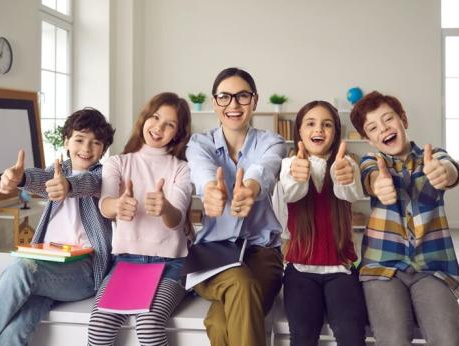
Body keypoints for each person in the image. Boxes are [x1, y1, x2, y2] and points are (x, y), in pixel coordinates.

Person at [0, 108, 115, 346]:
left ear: (104, 149)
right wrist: (21, 179)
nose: (86, 149)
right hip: (48, 266)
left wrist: (67, 186)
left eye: (96, 143)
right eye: (79, 139)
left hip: (84, 271)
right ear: (66, 140)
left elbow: (87, 183)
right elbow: (42, 181)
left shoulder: (105, 175)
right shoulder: (58, 171)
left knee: (21, 270)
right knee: (15, 332)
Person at [350, 91, 459, 345]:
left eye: (388, 119)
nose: (383, 129)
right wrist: (378, 184)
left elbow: (450, 169)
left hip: (432, 269)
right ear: (368, 139)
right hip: (382, 269)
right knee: (394, 339)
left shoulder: (433, 156)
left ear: (404, 119)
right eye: (373, 127)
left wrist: (444, 173)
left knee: (449, 339)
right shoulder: (371, 161)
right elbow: (370, 177)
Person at [185, 67, 288, 346]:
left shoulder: (273, 141)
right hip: (213, 255)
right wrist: (211, 190)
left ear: (254, 101)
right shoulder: (199, 143)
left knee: (219, 324)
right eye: (225, 97)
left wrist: (250, 188)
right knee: (240, 284)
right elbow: (201, 169)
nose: (233, 105)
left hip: (262, 254)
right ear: (214, 101)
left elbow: (265, 167)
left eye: (242, 96)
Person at [87, 92, 193, 346]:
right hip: (126, 261)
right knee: (98, 328)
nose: (158, 128)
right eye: (155, 118)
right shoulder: (117, 163)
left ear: (177, 134)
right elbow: (105, 204)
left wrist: (165, 207)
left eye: (170, 124)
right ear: (144, 118)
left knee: (149, 326)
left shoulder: (182, 168)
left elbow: (175, 219)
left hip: (172, 264)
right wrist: (118, 205)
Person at [276, 100, 367, 346]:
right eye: (311, 124)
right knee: (303, 336)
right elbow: (290, 194)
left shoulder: (347, 164)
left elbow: (350, 194)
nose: (319, 130)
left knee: (351, 334)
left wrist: (343, 176)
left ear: (336, 132)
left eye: (327, 125)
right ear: (300, 132)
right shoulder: (288, 165)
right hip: (300, 271)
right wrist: (298, 176)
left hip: (341, 269)